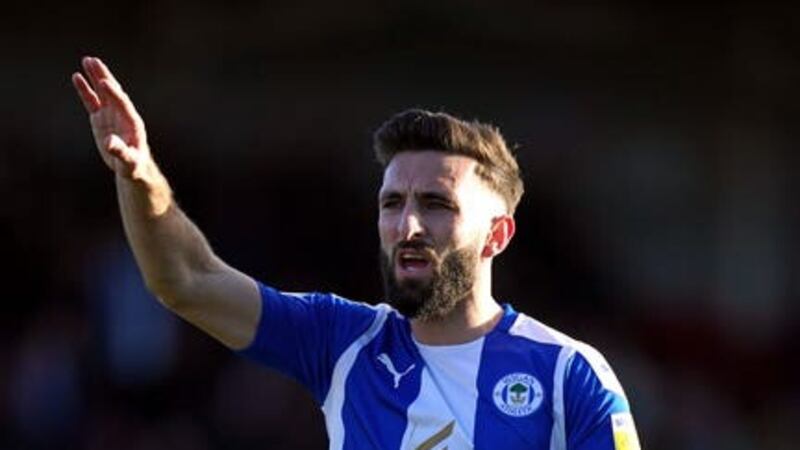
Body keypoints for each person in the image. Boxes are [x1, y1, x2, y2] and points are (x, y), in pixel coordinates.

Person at [72, 56, 641, 450]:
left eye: (437, 205)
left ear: (497, 235)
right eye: (392, 203)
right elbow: (186, 281)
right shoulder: (343, 342)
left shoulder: (571, 374)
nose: (408, 224)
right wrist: (141, 175)